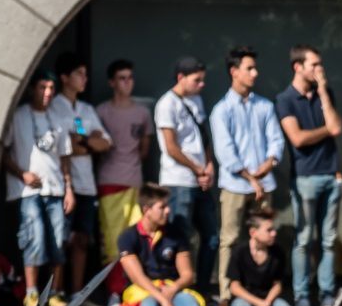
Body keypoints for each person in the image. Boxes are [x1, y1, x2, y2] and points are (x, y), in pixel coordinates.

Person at [274, 46, 342, 306]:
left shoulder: (324, 94)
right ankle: (302, 294)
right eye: (314, 65)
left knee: (327, 240)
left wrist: (324, 91)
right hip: (304, 177)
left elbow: (337, 126)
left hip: (330, 175)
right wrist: (327, 130)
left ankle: (327, 294)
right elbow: (298, 138)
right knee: (304, 238)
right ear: (298, 66)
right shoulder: (285, 99)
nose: (319, 70)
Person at [2, 68, 70, 306]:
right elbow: (4, 152)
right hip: (27, 191)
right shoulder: (18, 116)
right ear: (32, 89)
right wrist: (22, 174)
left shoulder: (59, 118)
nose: (48, 93)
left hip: (56, 190)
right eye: (43, 87)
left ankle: (54, 293)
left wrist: (69, 189)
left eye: (51, 88)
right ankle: (31, 294)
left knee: (59, 242)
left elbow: (64, 157)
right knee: (35, 237)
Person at [209, 45, 284, 268]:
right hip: (235, 185)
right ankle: (225, 295)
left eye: (255, 68)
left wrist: (268, 164)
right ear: (234, 71)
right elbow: (225, 151)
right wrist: (251, 178)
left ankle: (260, 291)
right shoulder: (221, 110)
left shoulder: (265, 106)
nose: (255, 73)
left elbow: (276, 141)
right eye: (249, 68)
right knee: (229, 240)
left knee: (265, 238)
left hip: (264, 183)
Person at [154, 57, 217, 283]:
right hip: (177, 180)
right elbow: (171, 147)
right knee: (181, 236)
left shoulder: (196, 100)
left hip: (200, 179)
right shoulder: (166, 104)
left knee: (211, 237)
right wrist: (197, 169)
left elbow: (203, 137)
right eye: (196, 80)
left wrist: (208, 165)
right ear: (181, 77)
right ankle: (178, 283)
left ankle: (203, 287)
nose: (201, 85)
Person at [54, 53, 110, 296]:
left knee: (82, 239)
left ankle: (77, 293)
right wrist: (86, 144)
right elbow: (61, 147)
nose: (84, 79)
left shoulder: (86, 109)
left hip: (87, 184)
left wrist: (82, 141)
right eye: (79, 74)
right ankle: (55, 292)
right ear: (65, 77)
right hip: (61, 183)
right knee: (61, 239)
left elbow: (105, 142)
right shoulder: (54, 106)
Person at [91, 58, 154, 257]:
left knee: (136, 237)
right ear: (112, 82)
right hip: (109, 181)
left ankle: (133, 283)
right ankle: (114, 286)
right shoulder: (101, 111)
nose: (127, 82)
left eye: (130, 78)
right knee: (112, 238)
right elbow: (90, 141)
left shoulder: (143, 112)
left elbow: (145, 149)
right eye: (122, 78)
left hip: (134, 182)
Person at [225, 204, 295, 306]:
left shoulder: (278, 252)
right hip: (244, 298)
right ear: (253, 232)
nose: (274, 233)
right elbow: (234, 287)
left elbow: (277, 284)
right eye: (269, 230)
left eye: (273, 229)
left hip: (269, 298)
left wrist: (267, 302)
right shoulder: (240, 251)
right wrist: (259, 303)